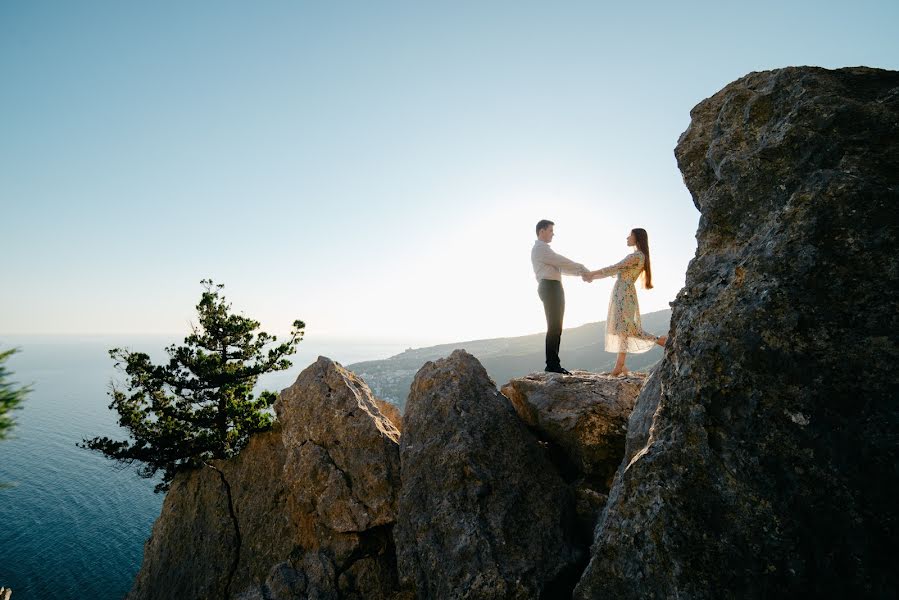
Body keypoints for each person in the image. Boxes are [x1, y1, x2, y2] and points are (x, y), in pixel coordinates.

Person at [583, 228, 667, 376]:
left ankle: (662, 341)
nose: (627, 238)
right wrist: (593, 277)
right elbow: (614, 271)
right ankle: (620, 366)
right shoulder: (639, 256)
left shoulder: (636, 256)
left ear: (637, 238)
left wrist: (591, 274)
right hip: (622, 294)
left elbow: (613, 268)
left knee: (628, 328)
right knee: (623, 330)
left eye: (630, 236)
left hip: (624, 295)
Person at [532, 219, 590, 374]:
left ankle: (553, 363)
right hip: (550, 287)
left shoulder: (544, 250)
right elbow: (561, 261)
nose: (553, 233)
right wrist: (582, 268)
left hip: (553, 286)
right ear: (542, 231)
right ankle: (552, 365)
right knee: (554, 327)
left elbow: (560, 268)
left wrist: (580, 273)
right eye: (550, 230)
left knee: (556, 327)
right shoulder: (541, 249)